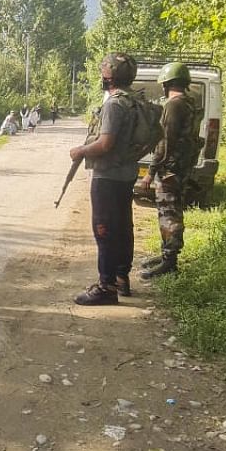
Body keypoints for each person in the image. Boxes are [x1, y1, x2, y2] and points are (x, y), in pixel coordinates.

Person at [66, 52, 140, 305]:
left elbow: (105, 143)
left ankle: (106, 286)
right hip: (127, 174)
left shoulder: (113, 104)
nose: (101, 76)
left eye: (103, 72)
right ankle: (121, 278)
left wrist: (80, 151)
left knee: (104, 229)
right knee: (123, 227)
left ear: (110, 75)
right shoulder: (134, 101)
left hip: (108, 177)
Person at [140, 63, 201, 279]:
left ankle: (170, 262)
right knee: (170, 211)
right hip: (182, 168)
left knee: (169, 214)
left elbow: (165, 143)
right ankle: (166, 255)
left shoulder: (174, 106)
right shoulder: (190, 104)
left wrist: (150, 172)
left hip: (170, 170)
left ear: (165, 84)